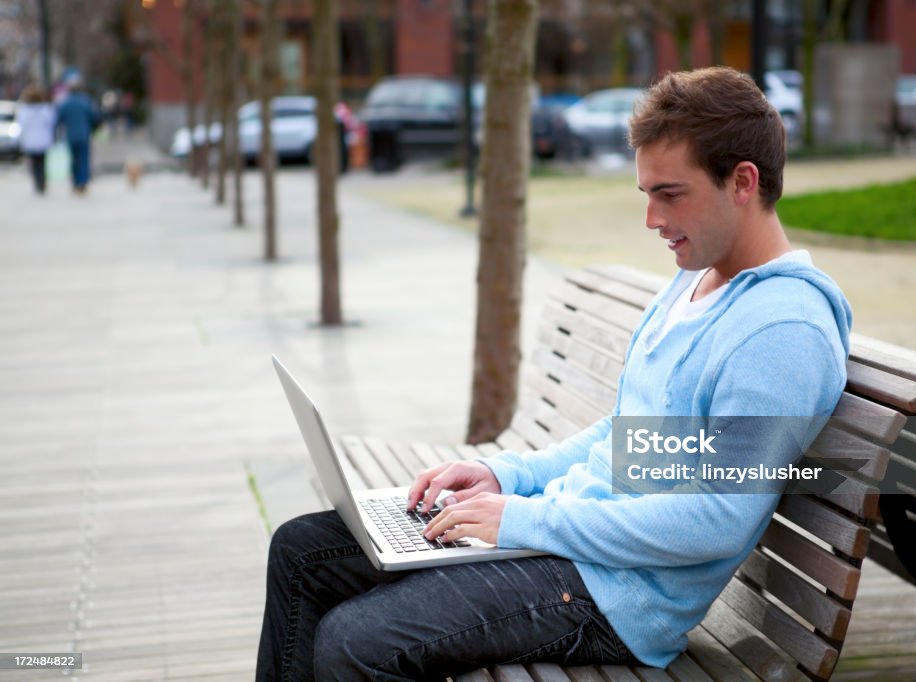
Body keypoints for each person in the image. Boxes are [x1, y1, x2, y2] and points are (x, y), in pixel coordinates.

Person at [256, 67, 852, 681]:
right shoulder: (695, 281)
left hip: (612, 596)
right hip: (568, 541)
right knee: (301, 552)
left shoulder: (784, 332)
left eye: (670, 194)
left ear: (742, 182)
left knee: (353, 642)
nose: (651, 218)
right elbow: (627, 437)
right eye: (645, 194)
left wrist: (521, 518)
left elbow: (717, 520)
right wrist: (503, 474)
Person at [55, 75, 98, 194]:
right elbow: (94, 117)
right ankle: (83, 182)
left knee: (74, 160)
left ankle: (75, 183)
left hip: (71, 136)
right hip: (84, 135)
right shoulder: (85, 101)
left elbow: (59, 120)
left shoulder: (65, 102)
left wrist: (55, 134)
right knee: (84, 159)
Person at [15, 84, 56, 195]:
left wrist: (21, 140)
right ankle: (42, 182)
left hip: (31, 141)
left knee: (34, 163)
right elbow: (51, 123)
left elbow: (21, 125)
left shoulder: (24, 111)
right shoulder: (46, 109)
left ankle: (38, 183)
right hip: (43, 140)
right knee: (42, 162)